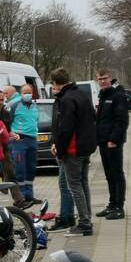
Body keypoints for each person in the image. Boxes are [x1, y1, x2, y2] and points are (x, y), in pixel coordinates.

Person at [49, 67, 97, 236]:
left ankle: (84, 224)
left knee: (74, 185)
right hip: (86, 147)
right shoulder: (82, 94)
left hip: (74, 148)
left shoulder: (67, 99)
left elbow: (66, 128)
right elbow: (92, 118)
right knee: (83, 183)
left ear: (55, 83)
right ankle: (87, 218)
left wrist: (60, 151)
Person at [95, 68, 129, 219]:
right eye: (100, 79)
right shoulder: (103, 95)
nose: (102, 81)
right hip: (103, 141)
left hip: (112, 143)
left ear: (111, 78)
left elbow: (121, 120)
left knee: (117, 174)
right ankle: (112, 204)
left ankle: (119, 207)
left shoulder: (118, 95)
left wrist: (113, 140)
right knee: (109, 175)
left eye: (105, 78)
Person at [46, 81, 76, 231]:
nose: (54, 90)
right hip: (60, 147)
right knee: (65, 183)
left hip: (66, 150)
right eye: (52, 87)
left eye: (56, 87)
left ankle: (65, 218)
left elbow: (65, 128)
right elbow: (55, 126)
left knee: (65, 184)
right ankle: (68, 215)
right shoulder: (57, 102)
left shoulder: (65, 101)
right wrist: (53, 142)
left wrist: (59, 146)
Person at [0, 90, 27, 207]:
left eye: (3, 99)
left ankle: (18, 199)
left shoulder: (6, 113)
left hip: (4, 148)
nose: (1, 102)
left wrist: (14, 134)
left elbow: (8, 130)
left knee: (10, 171)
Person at [8, 83, 41, 204]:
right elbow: (7, 123)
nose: (27, 95)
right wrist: (12, 134)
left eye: (29, 92)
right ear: (20, 94)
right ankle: (21, 197)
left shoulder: (34, 106)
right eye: (25, 92)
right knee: (20, 169)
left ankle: (29, 195)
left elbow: (35, 120)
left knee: (31, 169)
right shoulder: (14, 105)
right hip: (19, 141)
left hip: (32, 140)